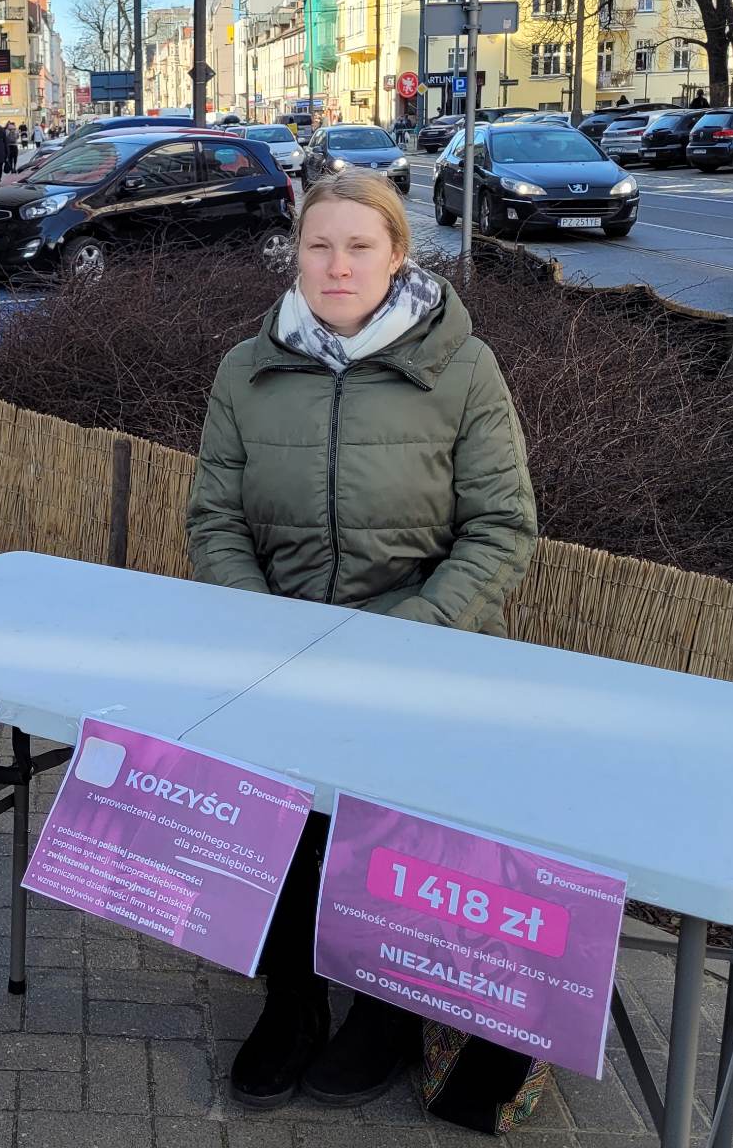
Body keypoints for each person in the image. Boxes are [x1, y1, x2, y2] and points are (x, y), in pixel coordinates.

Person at [186, 170, 537, 1118]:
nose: (337, 266)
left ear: (397, 256)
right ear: (293, 254)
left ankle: (387, 1009)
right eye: (317, 246)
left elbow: (503, 527)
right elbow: (214, 520)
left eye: (360, 247)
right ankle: (293, 1004)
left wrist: (408, 636)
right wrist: (266, 627)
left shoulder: (463, 368)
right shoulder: (246, 370)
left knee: (393, 835)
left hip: (421, 652)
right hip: (284, 650)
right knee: (281, 826)